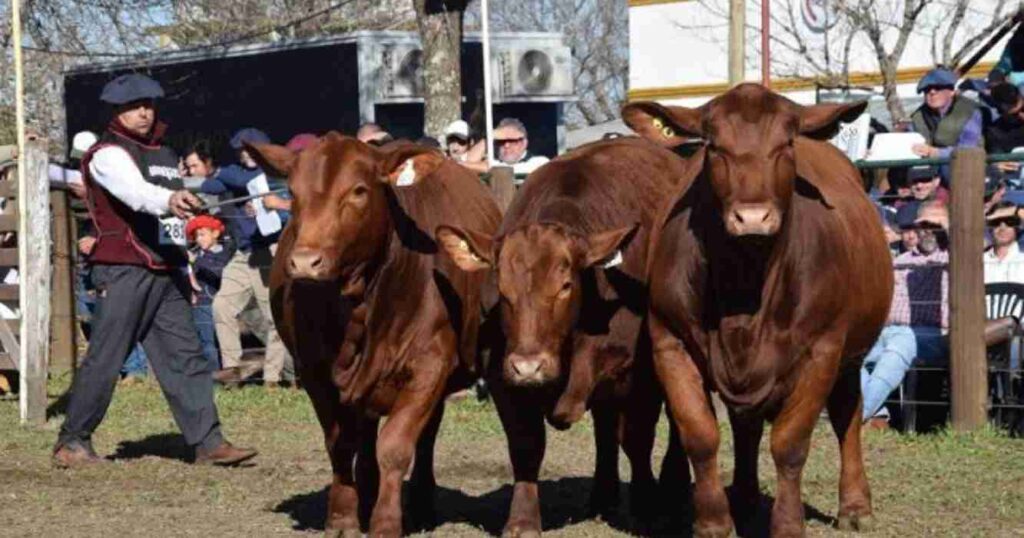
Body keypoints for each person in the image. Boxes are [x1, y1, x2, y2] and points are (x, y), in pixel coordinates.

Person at [53, 73, 256, 467]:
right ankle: (72, 442)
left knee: (187, 357)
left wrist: (185, 264)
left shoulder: (163, 154)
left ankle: (208, 443)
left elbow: (171, 223)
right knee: (107, 357)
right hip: (123, 269)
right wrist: (172, 197)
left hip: (166, 271)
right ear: (117, 111)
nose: (144, 111)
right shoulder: (107, 154)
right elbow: (136, 194)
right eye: (134, 106)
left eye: (148, 104)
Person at [201, 128, 294, 388]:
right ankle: (232, 370)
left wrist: (273, 206)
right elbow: (211, 184)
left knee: (273, 316)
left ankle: (274, 379)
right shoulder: (238, 175)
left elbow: (293, 211)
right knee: (222, 305)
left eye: (251, 150)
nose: (246, 155)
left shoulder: (278, 177)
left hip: (270, 251)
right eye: (242, 151)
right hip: (245, 253)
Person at [860, 202, 949, 429]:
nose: (928, 230)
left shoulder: (954, 260)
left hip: (932, 334)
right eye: (923, 225)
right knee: (847, 351)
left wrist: (947, 231)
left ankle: (858, 415)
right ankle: (877, 413)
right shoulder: (899, 261)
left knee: (902, 341)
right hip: (887, 330)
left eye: (935, 225)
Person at [909, 68, 984, 170]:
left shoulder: (969, 111)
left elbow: (968, 149)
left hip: (967, 168)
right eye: (927, 90)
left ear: (952, 92)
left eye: (938, 88)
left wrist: (934, 152)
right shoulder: (918, 116)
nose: (932, 92)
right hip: (928, 172)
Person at [187, 215, 234, 370]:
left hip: (218, 302)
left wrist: (196, 261)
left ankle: (223, 371)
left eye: (202, 235)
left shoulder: (224, 254)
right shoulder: (196, 254)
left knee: (223, 340)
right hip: (201, 303)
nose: (199, 239)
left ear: (215, 234)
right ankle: (212, 374)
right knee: (206, 341)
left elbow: (219, 272)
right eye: (196, 236)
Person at [984, 201, 1024, 284]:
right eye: (996, 222)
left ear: (1017, 227)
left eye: (1009, 221)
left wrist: (1014, 210)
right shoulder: (977, 262)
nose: (1002, 227)